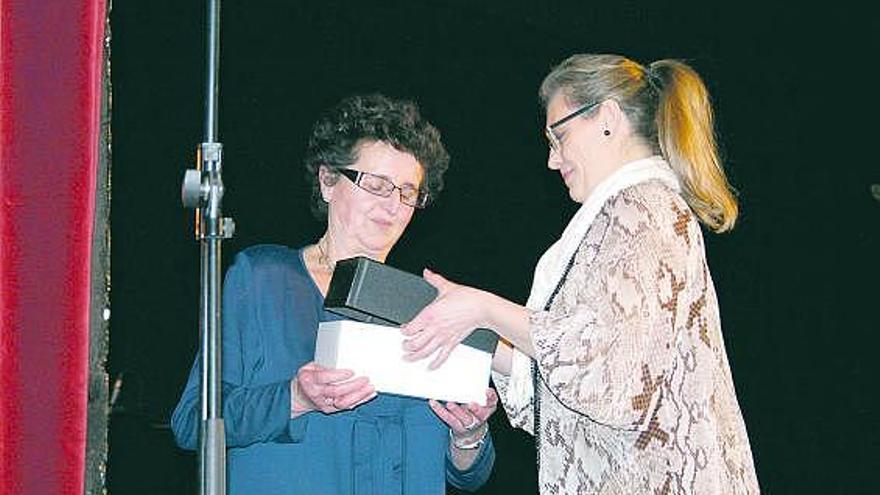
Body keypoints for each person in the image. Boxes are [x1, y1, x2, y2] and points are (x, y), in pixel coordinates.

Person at [401, 54, 760, 493]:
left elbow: (607, 374)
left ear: (608, 117)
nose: (553, 161)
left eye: (559, 135)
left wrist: (483, 308)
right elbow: (585, 384)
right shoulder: (624, 216)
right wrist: (475, 331)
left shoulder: (641, 210)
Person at [171, 93, 497, 494]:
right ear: (328, 181)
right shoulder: (263, 278)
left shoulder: (429, 307)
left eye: (408, 191)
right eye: (376, 184)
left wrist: (469, 436)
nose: (392, 205)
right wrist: (294, 397)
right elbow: (191, 424)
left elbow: (467, 473)